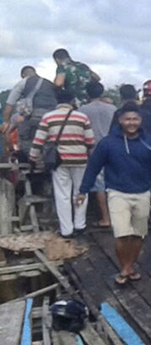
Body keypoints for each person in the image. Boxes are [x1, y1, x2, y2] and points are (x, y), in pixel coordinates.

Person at [78, 103, 151, 284]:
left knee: (138, 235)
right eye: (127, 119)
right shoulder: (107, 143)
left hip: (143, 192)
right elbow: (93, 168)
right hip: (117, 193)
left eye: (135, 119)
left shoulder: (150, 142)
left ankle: (129, 265)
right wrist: (83, 190)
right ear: (120, 121)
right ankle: (124, 268)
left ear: (140, 121)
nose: (132, 123)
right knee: (121, 234)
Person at [29, 88, 95, 238]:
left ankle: (66, 230)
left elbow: (38, 141)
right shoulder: (82, 117)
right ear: (72, 101)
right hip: (80, 160)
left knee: (62, 194)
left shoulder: (48, 117)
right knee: (80, 192)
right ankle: (80, 225)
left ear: (57, 101)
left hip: (59, 161)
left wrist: (33, 158)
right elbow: (90, 141)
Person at [79, 81, 117, 227]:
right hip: (113, 147)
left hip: (93, 149)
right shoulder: (112, 108)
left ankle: (105, 218)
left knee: (99, 185)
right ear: (102, 92)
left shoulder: (83, 110)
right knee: (114, 182)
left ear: (87, 94)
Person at [2, 66, 58, 155]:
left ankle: (28, 162)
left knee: (26, 140)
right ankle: (46, 163)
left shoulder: (23, 82)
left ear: (23, 75)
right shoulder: (49, 84)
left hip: (32, 117)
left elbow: (10, 104)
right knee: (48, 143)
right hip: (51, 117)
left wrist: (6, 122)